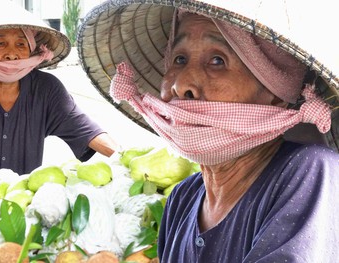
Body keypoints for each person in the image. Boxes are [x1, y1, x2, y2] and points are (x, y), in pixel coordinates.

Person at [77, 0, 339, 262]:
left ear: (276, 95)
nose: (181, 85)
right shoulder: (182, 198)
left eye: (217, 60)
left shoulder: (313, 172)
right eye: (179, 59)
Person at [0, 2, 119, 182]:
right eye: (1, 43)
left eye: (21, 44)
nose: (12, 53)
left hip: (13, 194)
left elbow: (85, 129)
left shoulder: (46, 88)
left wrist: (126, 158)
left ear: (31, 49)